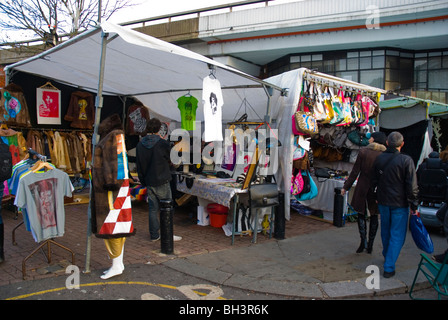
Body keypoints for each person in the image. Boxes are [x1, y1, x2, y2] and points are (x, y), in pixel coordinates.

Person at [372, 131, 419, 278]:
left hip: (384, 201)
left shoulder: (379, 159)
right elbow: (412, 186)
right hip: (400, 202)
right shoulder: (406, 160)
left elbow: (374, 181)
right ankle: (389, 266)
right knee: (397, 234)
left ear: (387, 143)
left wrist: (376, 196)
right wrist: (414, 205)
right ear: (402, 144)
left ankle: (388, 256)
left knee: (386, 230)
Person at [136, 118, 182, 242]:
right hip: (162, 179)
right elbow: (173, 160)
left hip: (149, 180)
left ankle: (154, 235)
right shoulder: (162, 143)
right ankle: (167, 233)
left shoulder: (140, 145)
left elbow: (139, 165)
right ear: (159, 129)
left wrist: (143, 180)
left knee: (153, 209)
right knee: (167, 208)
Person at [341, 131, 387, 254]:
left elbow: (355, 172)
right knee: (374, 215)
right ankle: (370, 244)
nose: (369, 139)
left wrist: (346, 187)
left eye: (371, 137)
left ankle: (363, 242)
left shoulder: (364, 152)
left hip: (363, 187)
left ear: (375, 139)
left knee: (361, 213)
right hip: (377, 189)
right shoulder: (385, 154)